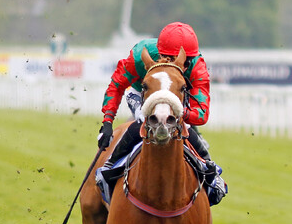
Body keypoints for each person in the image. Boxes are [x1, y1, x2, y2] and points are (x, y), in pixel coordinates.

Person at [96, 22, 226, 204]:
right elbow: (116, 85)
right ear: (161, 54)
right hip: (143, 93)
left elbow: (202, 114)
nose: (181, 64)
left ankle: (211, 173)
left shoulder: (197, 66)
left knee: (186, 128)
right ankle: (109, 167)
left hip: (178, 96)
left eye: (186, 61)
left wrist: (177, 112)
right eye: (172, 59)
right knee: (143, 120)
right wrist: (107, 123)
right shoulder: (139, 55)